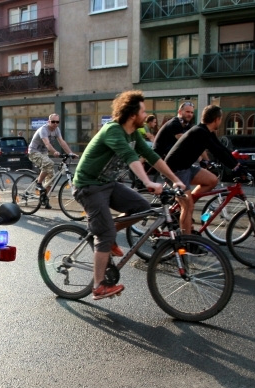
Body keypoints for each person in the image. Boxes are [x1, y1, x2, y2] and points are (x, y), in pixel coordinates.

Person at [72, 90, 185, 300]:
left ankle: (107, 233)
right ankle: (98, 286)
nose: (146, 115)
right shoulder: (113, 130)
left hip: (108, 184)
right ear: (133, 114)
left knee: (142, 207)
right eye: (143, 111)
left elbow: (151, 155)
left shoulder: (133, 133)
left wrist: (174, 178)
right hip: (88, 186)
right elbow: (130, 156)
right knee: (104, 235)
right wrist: (147, 181)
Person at [164, 105, 242, 236]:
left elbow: (221, 147)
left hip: (186, 167)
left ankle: (183, 207)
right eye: (221, 119)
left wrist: (237, 165)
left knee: (212, 180)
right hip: (175, 171)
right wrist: (235, 168)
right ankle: (187, 242)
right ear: (217, 119)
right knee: (188, 207)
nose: (221, 121)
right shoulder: (200, 132)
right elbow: (217, 151)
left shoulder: (206, 131)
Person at [27, 113, 76, 209]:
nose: (55, 124)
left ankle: (44, 198)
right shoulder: (43, 130)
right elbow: (47, 144)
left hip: (43, 153)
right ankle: (38, 183)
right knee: (49, 163)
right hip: (34, 152)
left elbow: (62, 142)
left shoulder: (57, 130)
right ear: (49, 121)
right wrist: (54, 152)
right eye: (53, 122)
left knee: (51, 176)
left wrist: (71, 153)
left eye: (57, 122)